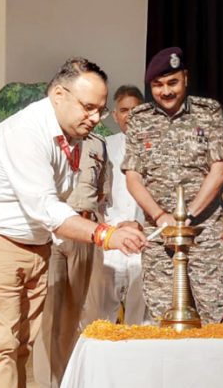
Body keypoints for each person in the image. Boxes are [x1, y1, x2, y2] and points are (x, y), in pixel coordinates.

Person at [0, 57, 146, 387]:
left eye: (99, 109)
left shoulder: (72, 137)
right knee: (0, 346)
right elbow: (44, 206)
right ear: (58, 94)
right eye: (88, 107)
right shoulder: (26, 132)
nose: (95, 118)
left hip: (34, 242)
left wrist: (114, 225)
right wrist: (104, 234)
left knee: (22, 344)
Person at [123, 47, 223, 324]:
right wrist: (162, 217)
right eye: (158, 85)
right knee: (162, 315)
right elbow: (133, 177)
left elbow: (219, 171)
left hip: (203, 230)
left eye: (172, 82)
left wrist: (187, 218)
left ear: (186, 78)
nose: (165, 91)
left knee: (214, 312)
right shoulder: (139, 118)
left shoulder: (208, 112)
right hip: (159, 232)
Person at [33, 134, 109, 388]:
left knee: (75, 311)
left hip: (84, 229)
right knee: (49, 314)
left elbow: (102, 189)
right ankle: (47, 384)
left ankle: (68, 380)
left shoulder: (98, 143)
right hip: (51, 231)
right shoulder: (48, 138)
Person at [81, 85, 147, 328]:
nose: (130, 115)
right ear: (116, 115)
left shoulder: (157, 147)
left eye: (136, 110)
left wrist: (139, 222)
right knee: (100, 313)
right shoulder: (104, 146)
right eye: (124, 110)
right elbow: (95, 193)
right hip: (110, 237)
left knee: (140, 316)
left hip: (144, 238)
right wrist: (114, 228)